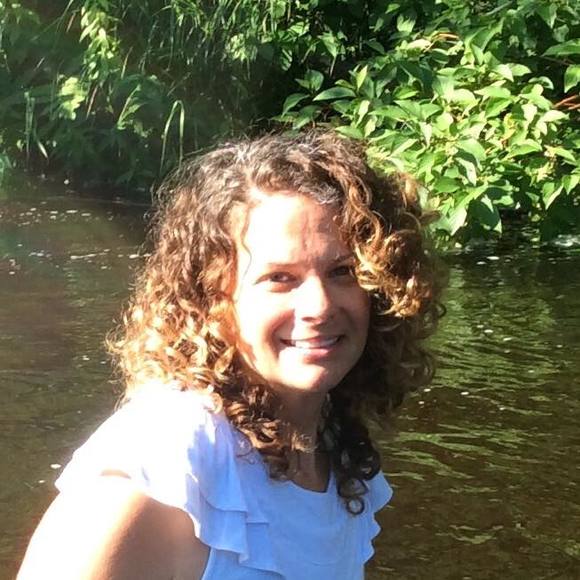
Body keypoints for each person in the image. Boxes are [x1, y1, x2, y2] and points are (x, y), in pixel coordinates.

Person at [18, 131, 443, 579]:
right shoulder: (167, 459)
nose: (319, 306)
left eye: (342, 271)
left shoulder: (336, 449)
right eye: (280, 278)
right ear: (210, 298)